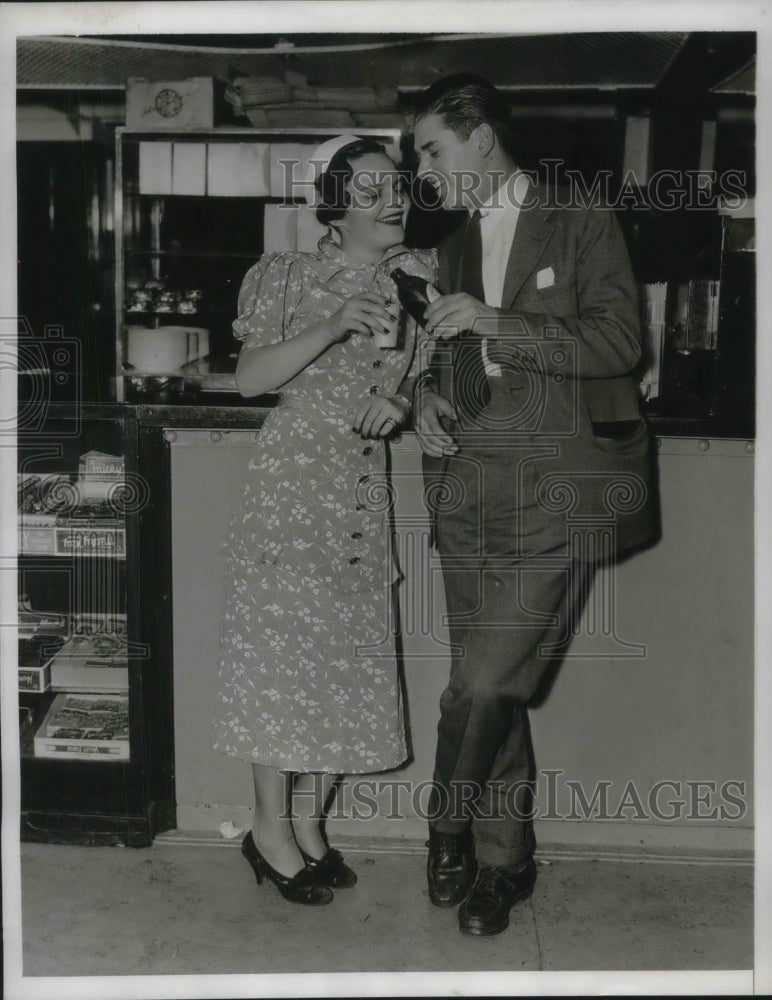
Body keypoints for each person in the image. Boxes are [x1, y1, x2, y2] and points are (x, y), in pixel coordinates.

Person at [411, 75, 658, 935]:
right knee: (492, 693)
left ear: (481, 138)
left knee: (481, 682)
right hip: (468, 485)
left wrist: (496, 321)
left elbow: (622, 342)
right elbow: (451, 360)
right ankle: (502, 864)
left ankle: (444, 822)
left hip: (557, 489)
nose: (424, 170)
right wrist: (430, 404)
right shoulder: (448, 244)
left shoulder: (580, 217)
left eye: (432, 149)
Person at [212, 135, 436, 905]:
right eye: (371, 189)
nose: (393, 198)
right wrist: (334, 323)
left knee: (342, 662)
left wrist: (402, 399)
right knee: (280, 664)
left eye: (397, 184)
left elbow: (425, 378)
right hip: (292, 486)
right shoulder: (286, 275)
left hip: (361, 492)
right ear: (333, 207)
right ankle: (267, 831)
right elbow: (249, 380)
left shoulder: (418, 279)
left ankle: (311, 825)